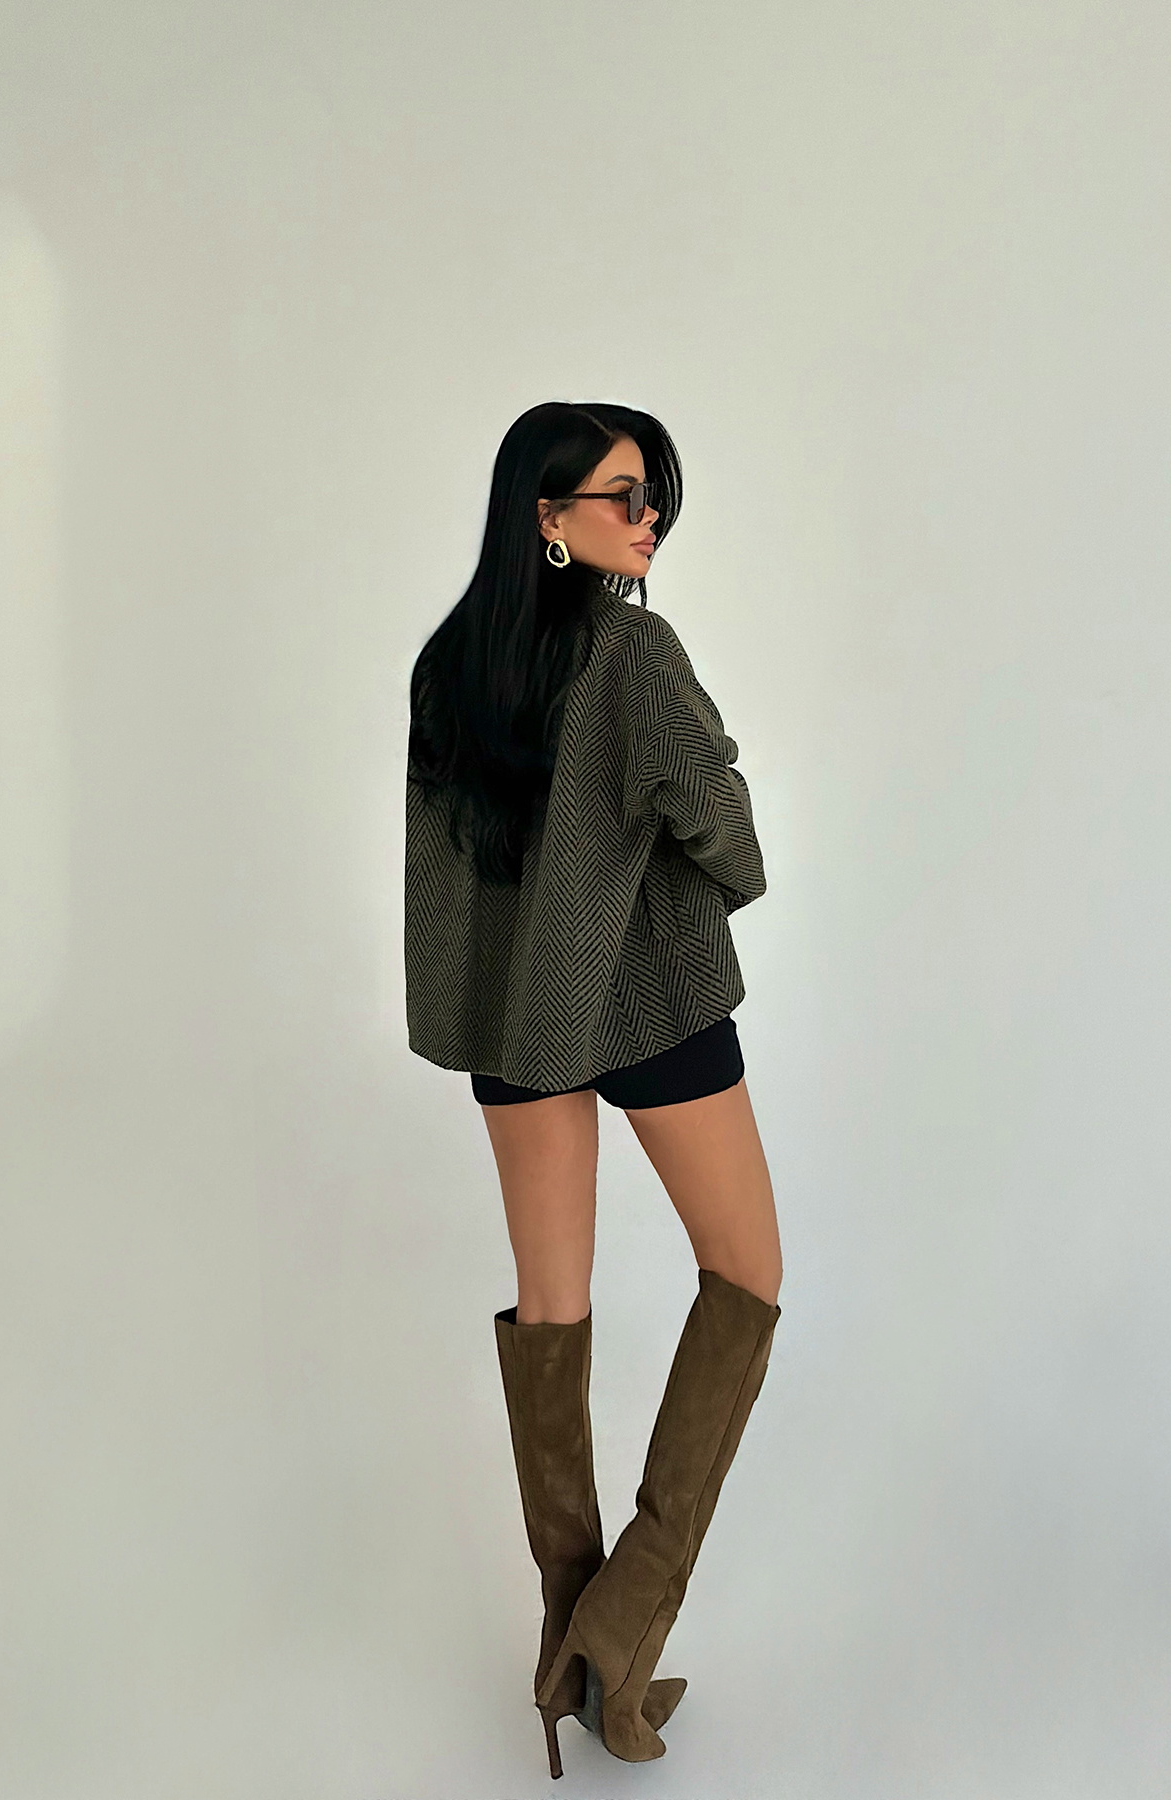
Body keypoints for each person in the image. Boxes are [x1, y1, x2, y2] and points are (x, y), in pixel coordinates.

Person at [404, 400, 783, 1778]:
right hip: (649, 1004)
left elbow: (443, 878)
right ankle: (621, 1622)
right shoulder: (632, 652)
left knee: (551, 1305)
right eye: (624, 496)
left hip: (515, 1023)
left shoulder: (450, 667)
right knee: (747, 1273)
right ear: (547, 518)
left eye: (653, 496)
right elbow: (727, 837)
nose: (648, 519)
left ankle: (569, 1634)